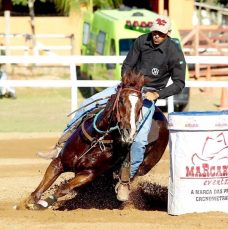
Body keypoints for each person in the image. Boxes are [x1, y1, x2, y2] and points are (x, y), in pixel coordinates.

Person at [37, 15, 186, 201]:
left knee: (139, 139)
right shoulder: (142, 41)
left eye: (161, 34)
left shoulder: (174, 52)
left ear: (168, 34)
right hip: (127, 88)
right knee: (85, 104)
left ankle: (125, 181)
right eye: (154, 32)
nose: (156, 36)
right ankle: (60, 146)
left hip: (147, 95)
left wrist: (157, 94)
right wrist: (126, 84)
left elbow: (179, 83)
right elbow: (128, 64)